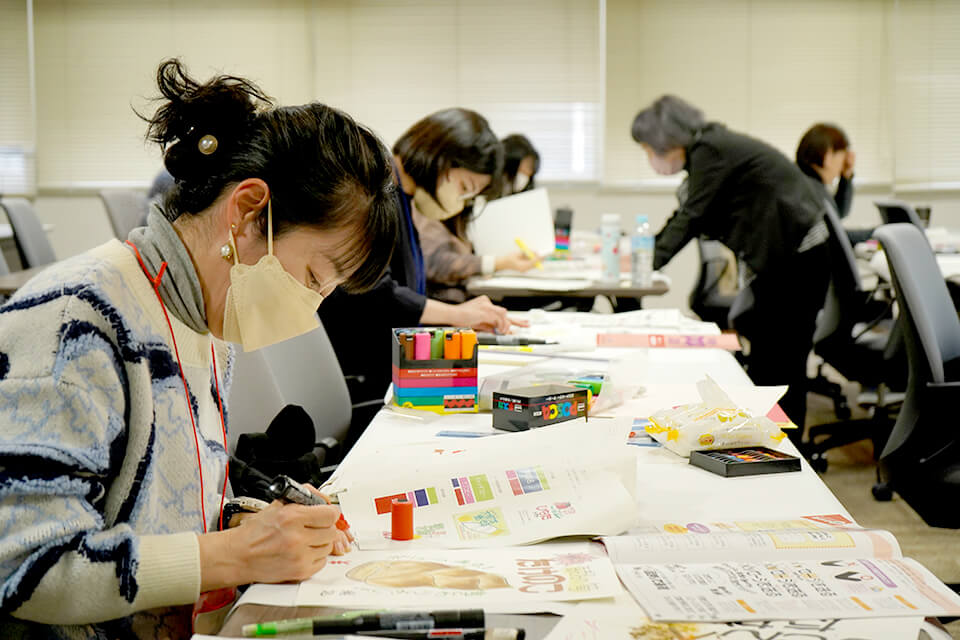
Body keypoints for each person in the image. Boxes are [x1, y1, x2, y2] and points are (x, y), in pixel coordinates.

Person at [0, 59, 398, 638]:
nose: (311, 306)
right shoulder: (76, 321)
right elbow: (20, 563)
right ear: (246, 211)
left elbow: (159, 506)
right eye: (314, 277)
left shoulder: (201, 320)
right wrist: (236, 556)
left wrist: (252, 519)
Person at [631, 95, 831, 437]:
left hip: (798, 259)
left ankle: (783, 449)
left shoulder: (710, 150)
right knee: (776, 362)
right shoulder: (709, 149)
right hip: (791, 259)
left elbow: (692, 217)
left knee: (780, 365)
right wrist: (646, 259)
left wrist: (644, 265)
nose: (650, 158)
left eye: (649, 149)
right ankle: (774, 443)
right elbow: (691, 214)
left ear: (667, 141)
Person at [318, 109, 525, 422]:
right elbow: (373, 291)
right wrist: (458, 315)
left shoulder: (401, 197)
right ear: (439, 158)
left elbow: (407, 289)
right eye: (465, 186)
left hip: (390, 368)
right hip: (368, 376)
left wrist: (460, 318)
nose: (463, 200)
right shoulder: (375, 188)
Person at [411, 112, 538, 303]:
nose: (466, 198)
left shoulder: (459, 207)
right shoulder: (428, 208)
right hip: (446, 306)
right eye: (466, 187)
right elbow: (436, 264)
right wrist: (496, 263)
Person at [796, 123, 873, 245]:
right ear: (828, 156)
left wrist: (846, 176)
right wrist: (877, 233)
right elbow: (834, 237)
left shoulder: (806, 182)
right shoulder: (811, 189)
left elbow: (837, 215)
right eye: (842, 157)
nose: (842, 165)